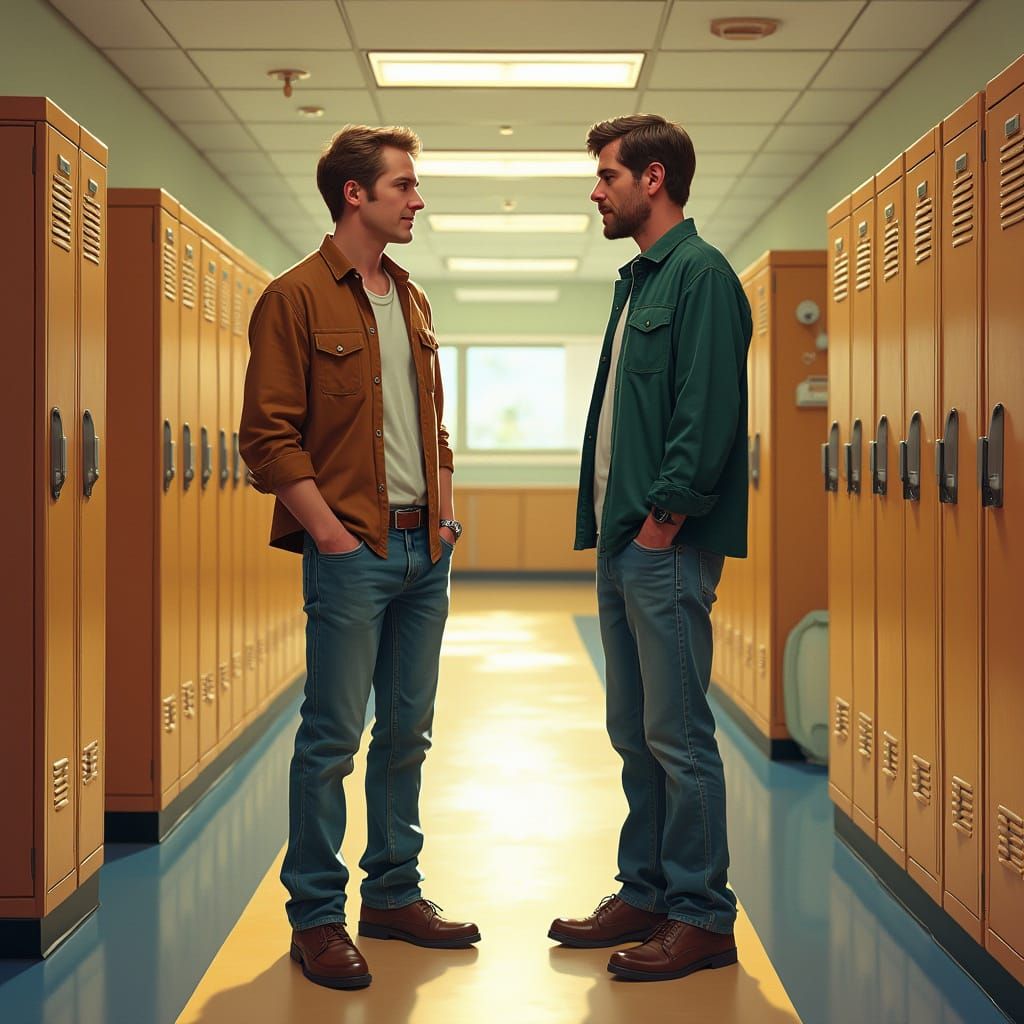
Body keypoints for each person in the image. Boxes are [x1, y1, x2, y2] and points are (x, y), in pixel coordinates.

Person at [239, 124, 478, 992]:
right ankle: (315, 917)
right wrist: (332, 534)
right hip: (354, 549)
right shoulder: (295, 298)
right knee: (332, 738)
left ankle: (393, 894)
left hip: (424, 550)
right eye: (404, 186)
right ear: (356, 195)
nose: (417, 201)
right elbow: (266, 439)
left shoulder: (409, 299)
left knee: (407, 733)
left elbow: (434, 431)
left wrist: (444, 525)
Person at [549, 114, 752, 982]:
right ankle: (648, 890)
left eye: (607, 176)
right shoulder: (637, 281)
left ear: (653, 178)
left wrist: (666, 519)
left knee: (678, 734)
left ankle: (702, 914)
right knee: (633, 729)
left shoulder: (700, 277)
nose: (597, 191)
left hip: (661, 544)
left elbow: (705, 414)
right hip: (623, 541)